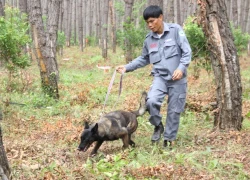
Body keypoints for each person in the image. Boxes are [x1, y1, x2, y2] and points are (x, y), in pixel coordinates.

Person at [116, 5, 192, 148]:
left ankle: (169, 139)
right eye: (147, 23)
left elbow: (187, 52)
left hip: (178, 79)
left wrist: (181, 68)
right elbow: (144, 58)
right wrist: (127, 67)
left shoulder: (175, 31)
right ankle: (158, 125)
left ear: (161, 17)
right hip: (160, 78)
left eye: (152, 21)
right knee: (151, 102)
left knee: (174, 110)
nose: (150, 25)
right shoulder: (149, 39)